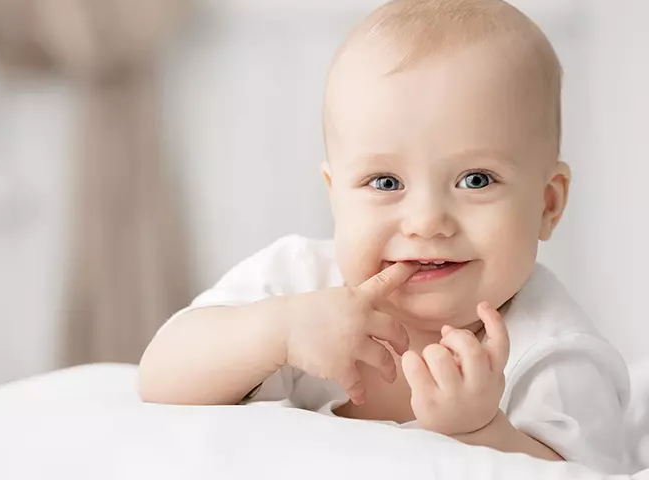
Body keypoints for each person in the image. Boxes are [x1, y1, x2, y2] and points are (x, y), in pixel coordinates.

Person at [139, 0, 630, 472]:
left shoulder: (553, 351)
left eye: (476, 179)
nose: (426, 221)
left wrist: (483, 431)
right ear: (335, 197)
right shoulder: (301, 282)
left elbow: (587, 471)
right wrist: (280, 333)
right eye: (385, 183)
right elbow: (161, 375)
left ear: (548, 203)